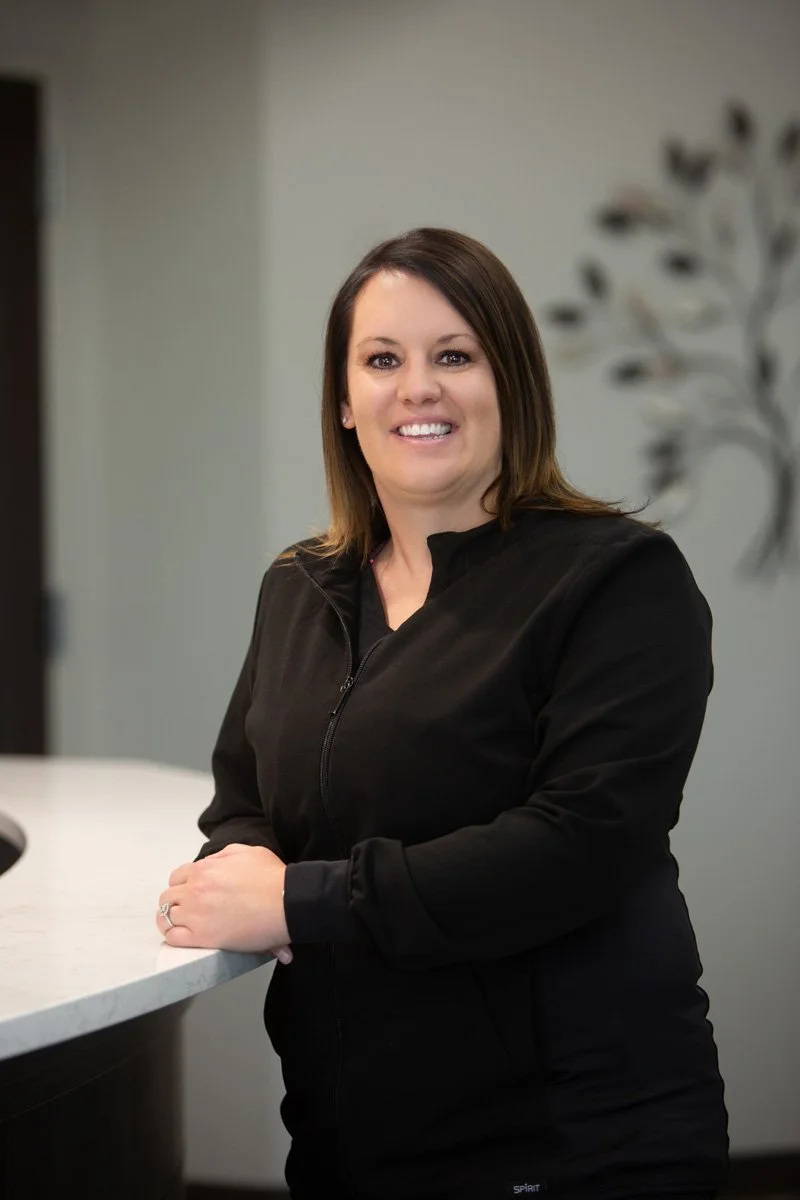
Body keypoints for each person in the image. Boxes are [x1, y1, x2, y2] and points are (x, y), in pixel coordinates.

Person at [156, 227, 729, 1200]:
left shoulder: (617, 580)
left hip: (567, 1136)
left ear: (510, 383)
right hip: (350, 1126)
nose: (415, 387)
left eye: (452, 356)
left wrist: (297, 902)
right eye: (381, 360)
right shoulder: (299, 587)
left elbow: (579, 843)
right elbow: (246, 796)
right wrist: (240, 857)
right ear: (344, 401)